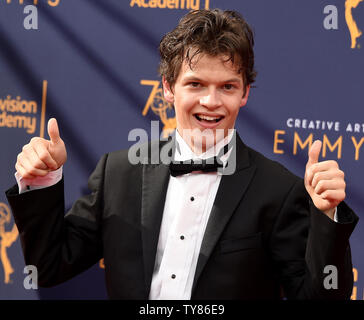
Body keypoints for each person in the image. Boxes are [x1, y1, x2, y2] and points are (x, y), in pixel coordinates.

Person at [6, 9, 358, 300]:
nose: (211, 102)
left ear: (245, 94)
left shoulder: (279, 190)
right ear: (168, 89)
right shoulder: (119, 173)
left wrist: (327, 218)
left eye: (227, 87)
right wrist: (42, 183)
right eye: (195, 84)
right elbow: (49, 267)